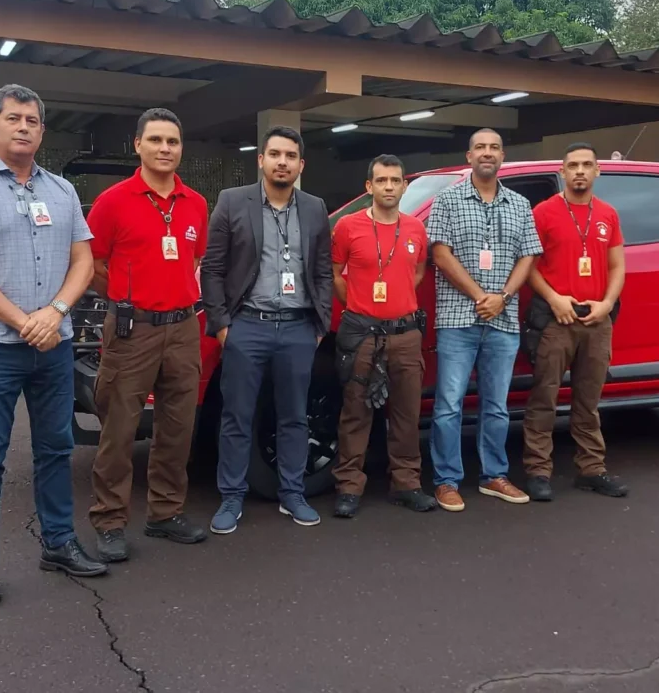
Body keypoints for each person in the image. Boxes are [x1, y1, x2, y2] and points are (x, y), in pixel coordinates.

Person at [0, 84, 107, 605]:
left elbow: (84, 262)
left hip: (52, 344)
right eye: (13, 119)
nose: (24, 127)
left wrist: (53, 313)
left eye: (32, 120)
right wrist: (22, 320)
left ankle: (58, 542)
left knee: (56, 448)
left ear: (42, 130)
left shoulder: (61, 192)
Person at [85, 108, 209, 561]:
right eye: (155, 140)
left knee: (177, 428)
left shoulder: (196, 203)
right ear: (137, 145)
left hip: (182, 328)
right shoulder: (113, 202)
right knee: (119, 429)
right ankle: (110, 520)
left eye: (172, 142)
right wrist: (123, 298)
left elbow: (193, 261)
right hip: (131, 330)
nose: (164, 149)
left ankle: (165, 513)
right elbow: (93, 265)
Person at [201, 126, 333, 531]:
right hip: (248, 327)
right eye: (274, 154)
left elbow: (324, 270)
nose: (282, 162)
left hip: (297, 329)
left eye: (290, 156)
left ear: (300, 164)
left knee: (294, 417)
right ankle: (231, 498)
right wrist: (223, 326)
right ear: (260, 159)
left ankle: (292, 494)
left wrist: (319, 324)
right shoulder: (232, 202)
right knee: (237, 417)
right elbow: (213, 268)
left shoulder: (314, 208)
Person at [426, 128, 543, 512]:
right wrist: (480, 296)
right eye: (480, 147)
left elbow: (529, 255)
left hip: (504, 321)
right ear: (469, 155)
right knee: (448, 405)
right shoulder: (446, 200)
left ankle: (494, 475)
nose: (487, 153)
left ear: (502, 155)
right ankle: (446, 481)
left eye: (494, 147)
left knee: (496, 406)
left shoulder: (519, 204)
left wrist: (504, 297)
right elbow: (439, 254)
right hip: (458, 319)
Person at [330, 155, 437, 518]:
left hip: (405, 335)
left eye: (395, 180)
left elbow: (418, 272)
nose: (389, 186)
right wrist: (361, 306)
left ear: (404, 186)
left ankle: (406, 484)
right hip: (362, 334)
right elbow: (335, 272)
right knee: (355, 413)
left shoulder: (415, 230)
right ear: (369, 187)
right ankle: (348, 486)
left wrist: (395, 305)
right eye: (382, 180)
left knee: (407, 413)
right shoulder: (347, 226)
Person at [522, 142, 629, 501]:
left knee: (589, 401)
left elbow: (617, 266)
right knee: (544, 398)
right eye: (573, 166)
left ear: (598, 171)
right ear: (562, 172)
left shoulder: (609, 215)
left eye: (587, 165)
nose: (580, 171)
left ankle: (592, 469)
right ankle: (538, 471)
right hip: (555, 319)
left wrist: (608, 303)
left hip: (597, 320)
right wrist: (554, 299)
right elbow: (528, 266)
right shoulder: (544, 213)